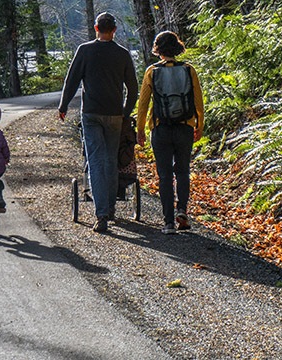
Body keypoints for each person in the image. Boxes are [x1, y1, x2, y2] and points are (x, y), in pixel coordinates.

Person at [58, 12, 138, 233]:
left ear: (96, 28)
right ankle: (110, 208)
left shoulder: (84, 50)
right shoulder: (122, 54)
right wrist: (125, 113)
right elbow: (133, 88)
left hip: (91, 114)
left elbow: (72, 80)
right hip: (114, 115)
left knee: (95, 161)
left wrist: (63, 106)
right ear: (114, 30)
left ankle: (101, 214)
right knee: (111, 160)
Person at [136, 31, 205, 235]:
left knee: (164, 175)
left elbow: (143, 104)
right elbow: (198, 102)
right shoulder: (189, 70)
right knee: (182, 171)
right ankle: (182, 210)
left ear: (158, 49)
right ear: (177, 47)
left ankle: (168, 223)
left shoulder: (152, 71)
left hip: (161, 128)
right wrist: (199, 125)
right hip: (185, 126)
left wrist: (140, 129)